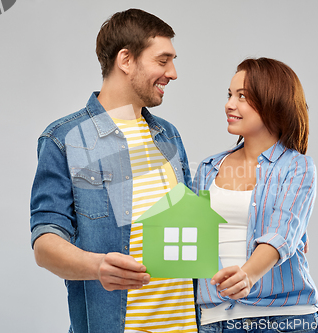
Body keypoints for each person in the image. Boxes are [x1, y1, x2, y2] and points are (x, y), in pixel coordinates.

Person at [30, 9, 197, 333]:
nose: (173, 73)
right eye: (163, 61)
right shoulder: (65, 139)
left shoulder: (168, 136)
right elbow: (46, 243)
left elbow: (193, 225)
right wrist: (98, 266)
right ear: (126, 60)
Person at [193, 58, 318, 332]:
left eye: (243, 97)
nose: (230, 104)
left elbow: (281, 235)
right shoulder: (207, 169)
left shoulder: (297, 167)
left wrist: (247, 275)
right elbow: (189, 237)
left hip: (286, 319)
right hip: (217, 321)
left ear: (273, 102)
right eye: (230, 95)